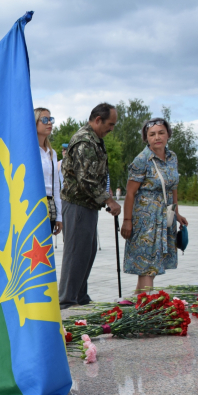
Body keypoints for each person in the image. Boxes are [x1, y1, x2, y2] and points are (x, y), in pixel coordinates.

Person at [58, 103, 121, 309]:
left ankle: (80, 297)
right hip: (77, 204)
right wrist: (108, 200)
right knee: (76, 252)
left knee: (87, 251)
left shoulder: (96, 140)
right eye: (110, 124)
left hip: (87, 205)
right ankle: (67, 301)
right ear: (97, 120)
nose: (111, 128)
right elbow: (86, 180)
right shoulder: (85, 141)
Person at [121, 117, 189, 292]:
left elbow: (173, 188)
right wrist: (127, 220)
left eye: (161, 133)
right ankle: (148, 309)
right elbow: (130, 193)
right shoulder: (142, 160)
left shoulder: (172, 157)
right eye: (152, 134)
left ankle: (140, 305)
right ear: (146, 137)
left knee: (151, 267)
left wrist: (177, 214)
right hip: (146, 220)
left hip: (165, 216)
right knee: (146, 265)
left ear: (168, 135)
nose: (157, 137)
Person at [34, 107, 62, 235]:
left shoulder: (52, 153)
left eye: (50, 119)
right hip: (33, 205)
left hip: (49, 206)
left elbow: (56, 186)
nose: (49, 123)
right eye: (44, 120)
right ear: (35, 122)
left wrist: (59, 216)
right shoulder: (30, 151)